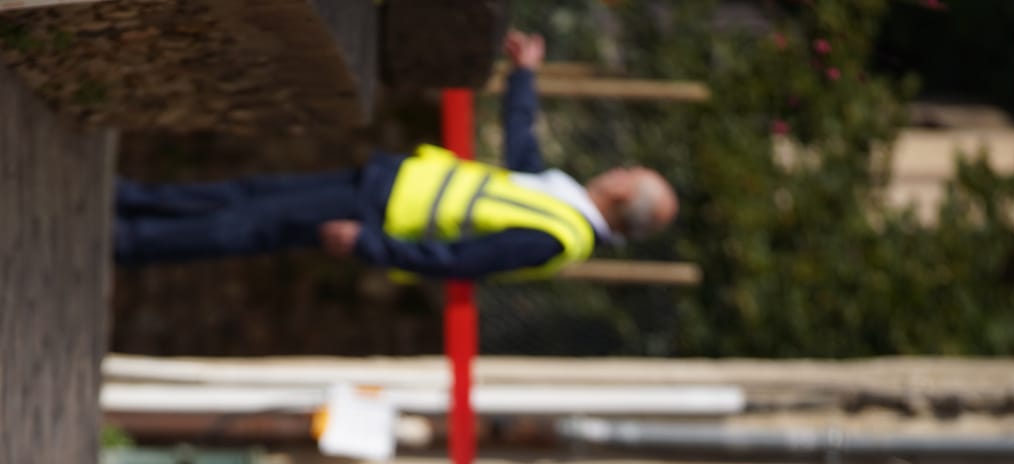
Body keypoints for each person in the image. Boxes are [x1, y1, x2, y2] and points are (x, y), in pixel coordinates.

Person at [113, 31, 678, 282]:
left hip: (378, 216)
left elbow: (459, 262)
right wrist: (524, 75)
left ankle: (130, 240)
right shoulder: (562, 200)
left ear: (623, 194)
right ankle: (132, 201)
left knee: (250, 225)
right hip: (382, 184)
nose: (619, 169)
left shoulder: (558, 236)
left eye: (630, 173)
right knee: (249, 194)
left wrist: (370, 245)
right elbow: (522, 146)